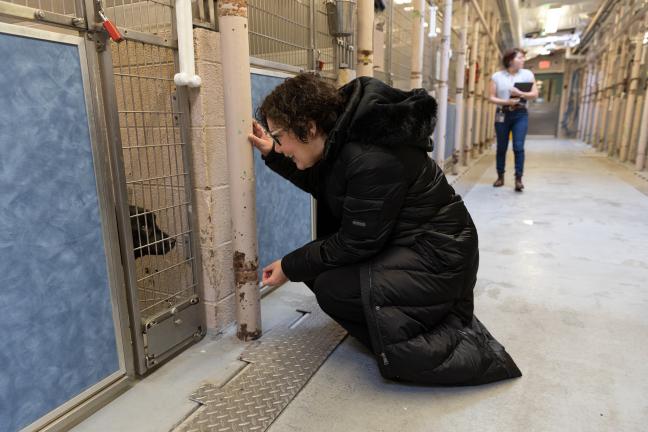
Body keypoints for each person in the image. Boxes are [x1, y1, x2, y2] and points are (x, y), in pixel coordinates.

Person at [248, 73, 521, 385]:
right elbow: (324, 182)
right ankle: (389, 324)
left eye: (280, 137)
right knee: (314, 268)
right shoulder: (345, 138)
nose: (281, 146)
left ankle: (397, 342)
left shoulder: (369, 155)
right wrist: (271, 152)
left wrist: (288, 265)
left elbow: (356, 243)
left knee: (331, 287)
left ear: (308, 128)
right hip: (418, 247)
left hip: (439, 258)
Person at [488, 48, 538, 191]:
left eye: (523, 58)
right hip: (502, 114)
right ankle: (500, 176)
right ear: (511, 60)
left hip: (520, 114)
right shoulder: (497, 76)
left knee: (518, 146)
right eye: (520, 58)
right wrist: (507, 102)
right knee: (501, 147)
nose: (523, 60)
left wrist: (520, 93)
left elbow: (534, 94)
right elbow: (491, 97)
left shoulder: (527, 74)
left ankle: (518, 179)